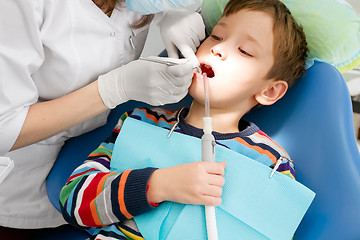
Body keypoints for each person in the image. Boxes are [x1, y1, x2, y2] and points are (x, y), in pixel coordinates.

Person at [59, 0, 308, 238]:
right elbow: (73, 201)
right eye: (217, 36)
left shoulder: (270, 163)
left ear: (270, 91)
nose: (218, 49)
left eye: (244, 51)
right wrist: (157, 184)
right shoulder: (141, 122)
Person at [0, 0, 205, 234]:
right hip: (20, 184)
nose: (218, 50)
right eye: (217, 38)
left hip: (92, 166)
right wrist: (112, 89)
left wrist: (172, 12)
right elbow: (4, 127)